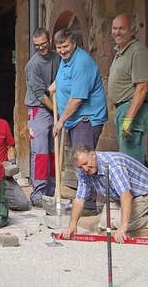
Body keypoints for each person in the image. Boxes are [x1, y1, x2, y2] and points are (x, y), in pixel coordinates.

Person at [50, 28, 108, 215]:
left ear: (74, 43)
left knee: (85, 162)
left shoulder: (82, 62)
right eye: (59, 47)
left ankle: (89, 205)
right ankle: (83, 201)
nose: (62, 50)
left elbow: (76, 99)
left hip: (86, 119)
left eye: (65, 46)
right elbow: (65, 79)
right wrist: (55, 85)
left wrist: (60, 121)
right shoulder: (66, 61)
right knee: (79, 162)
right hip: (75, 120)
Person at [62, 144, 148, 244]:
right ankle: (135, 215)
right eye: (80, 167)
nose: (85, 169)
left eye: (85, 163)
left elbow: (126, 196)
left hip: (146, 192)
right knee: (104, 224)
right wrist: (72, 225)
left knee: (119, 223)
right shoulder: (84, 171)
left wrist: (123, 227)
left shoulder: (113, 165)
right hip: (116, 196)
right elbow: (79, 199)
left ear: (93, 154)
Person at [109, 14, 148, 166]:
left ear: (133, 31)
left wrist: (129, 119)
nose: (117, 32)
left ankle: (136, 190)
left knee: (130, 162)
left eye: (122, 28)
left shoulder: (137, 52)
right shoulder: (121, 51)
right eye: (115, 28)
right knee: (133, 158)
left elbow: (142, 88)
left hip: (132, 110)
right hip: (123, 109)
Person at [24, 28, 61, 207]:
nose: (41, 48)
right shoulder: (33, 65)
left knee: (54, 152)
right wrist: (57, 112)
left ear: (50, 40)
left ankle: (52, 191)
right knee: (41, 152)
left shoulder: (57, 57)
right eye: (37, 45)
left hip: (55, 107)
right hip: (38, 109)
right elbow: (41, 94)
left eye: (43, 43)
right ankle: (38, 193)